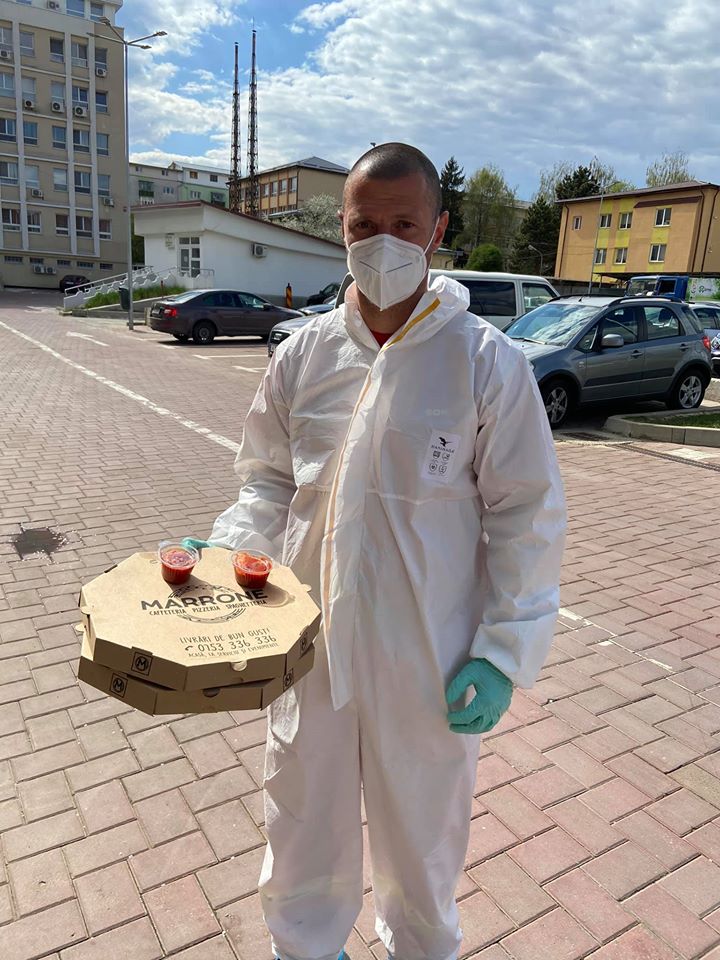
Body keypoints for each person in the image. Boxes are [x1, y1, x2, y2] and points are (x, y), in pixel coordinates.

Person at [209, 142, 566, 960]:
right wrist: (232, 553)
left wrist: (503, 653)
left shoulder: (484, 362)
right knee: (300, 826)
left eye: (404, 224)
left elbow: (527, 513)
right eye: (363, 224)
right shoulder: (304, 355)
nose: (382, 242)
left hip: (430, 660)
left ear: (438, 230)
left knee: (424, 845)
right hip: (307, 647)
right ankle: (307, 949)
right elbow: (267, 480)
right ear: (341, 228)